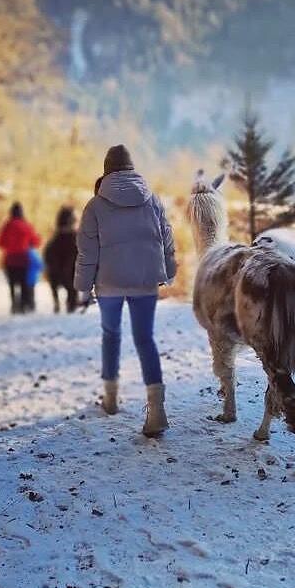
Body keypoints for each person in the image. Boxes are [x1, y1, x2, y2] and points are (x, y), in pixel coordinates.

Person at [74, 145, 176, 437]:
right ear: (132, 168)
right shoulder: (153, 200)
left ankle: (110, 398)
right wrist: (168, 272)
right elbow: (167, 239)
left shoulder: (95, 206)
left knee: (111, 335)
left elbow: (87, 253)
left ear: (106, 170)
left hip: (109, 283)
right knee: (145, 339)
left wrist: (83, 288)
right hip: (145, 281)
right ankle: (156, 410)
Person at [0, 202, 40, 314]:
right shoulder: (26, 225)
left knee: (12, 284)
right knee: (24, 283)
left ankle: (14, 305)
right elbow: (36, 242)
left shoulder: (7, 225)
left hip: (10, 260)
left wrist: (10, 246)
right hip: (24, 260)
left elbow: (0, 243)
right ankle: (23, 306)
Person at [44, 206, 79, 313]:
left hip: (56, 271)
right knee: (73, 281)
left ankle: (58, 302)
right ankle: (71, 304)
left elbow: (48, 255)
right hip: (70, 271)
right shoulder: (74, 239)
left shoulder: (55, 240)